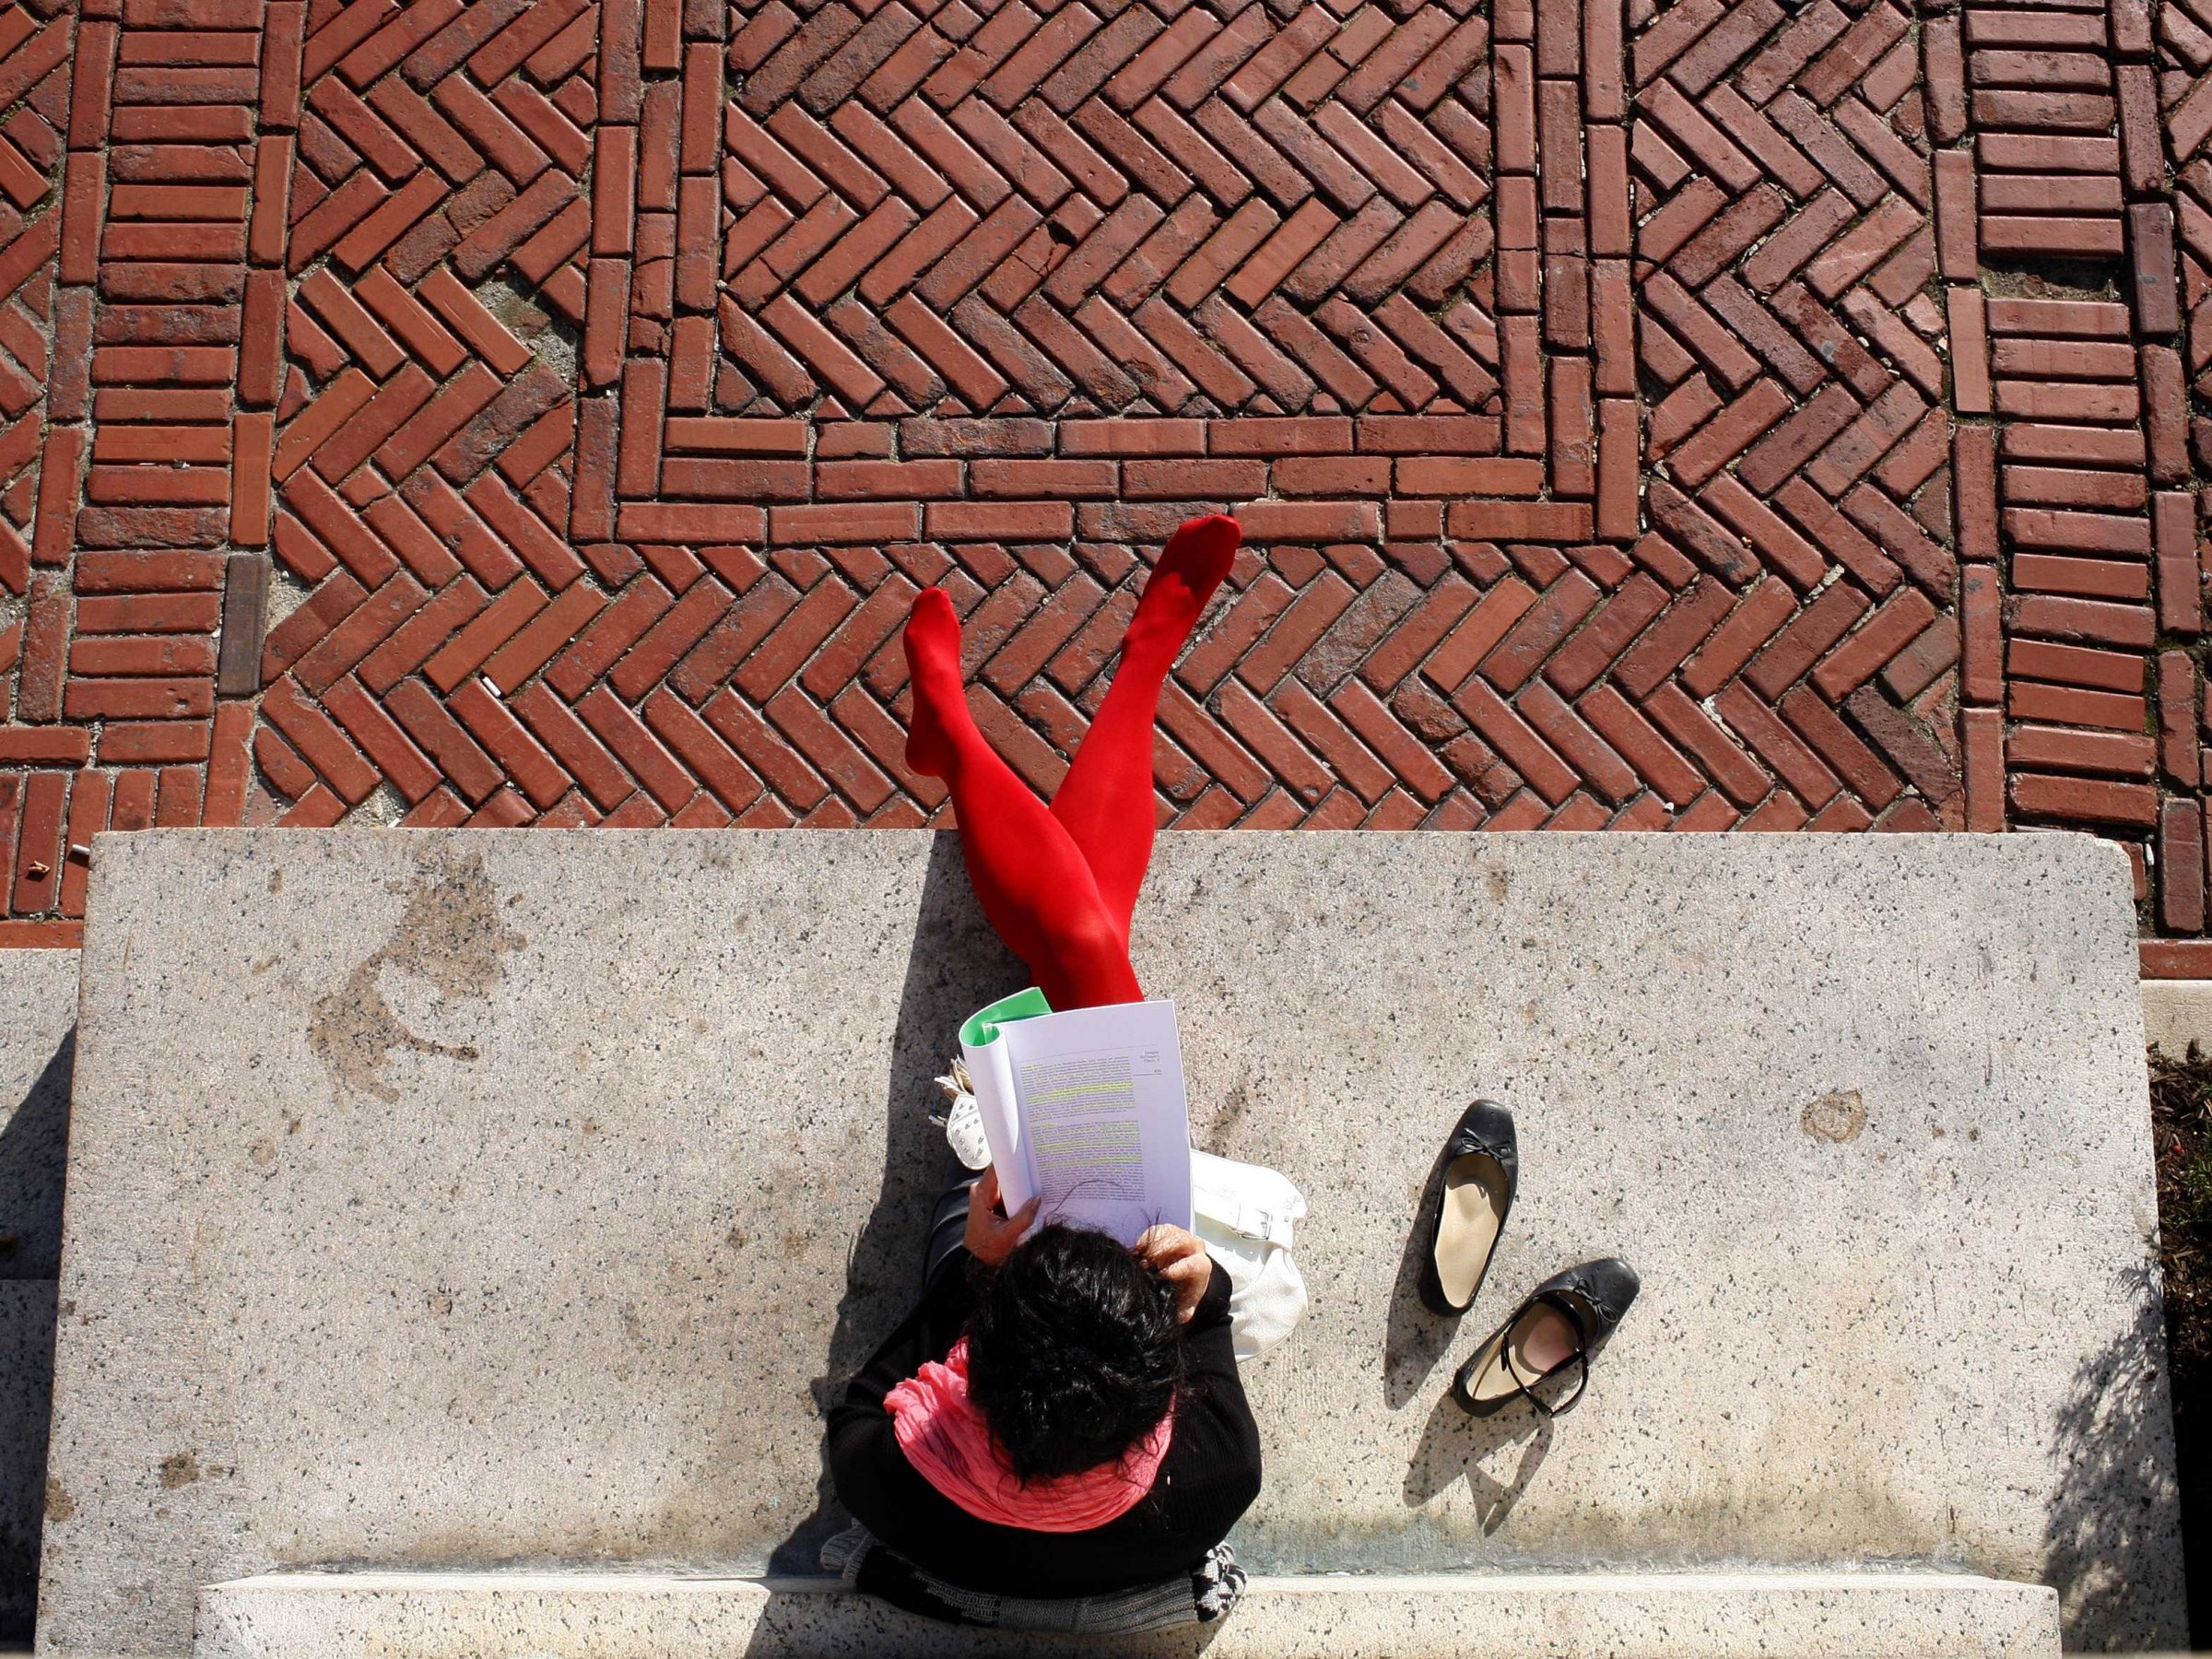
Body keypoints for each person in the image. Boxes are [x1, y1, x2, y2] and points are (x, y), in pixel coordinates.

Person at [822, 514, 1263, 1632]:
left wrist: (972, 1268)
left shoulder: (890, 1466)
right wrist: (1199, 1303)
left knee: (1088, 955)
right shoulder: (1211, 1482)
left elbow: (882, 1382)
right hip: (1068, 1368)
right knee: (1086, 951)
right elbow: (1211, 1362)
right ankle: (1047, 708)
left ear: (975, 1376)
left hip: (997, 1285)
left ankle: (983, 731)